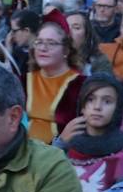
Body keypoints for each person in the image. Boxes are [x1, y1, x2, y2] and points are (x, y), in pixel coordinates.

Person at [54, 74, 123, 192]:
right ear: (82, 106)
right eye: (90, 99)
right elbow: (45, 182)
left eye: (107, 101)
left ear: (117, 108)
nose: (97, 107)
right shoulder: (67, 144)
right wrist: (60, 144)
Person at [26, 14, 84, 143]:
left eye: (51, 43)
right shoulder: (22, 81)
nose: (43, 48)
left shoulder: (81, 84)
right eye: (39, 42)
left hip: (61, 155)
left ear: (66, 51)